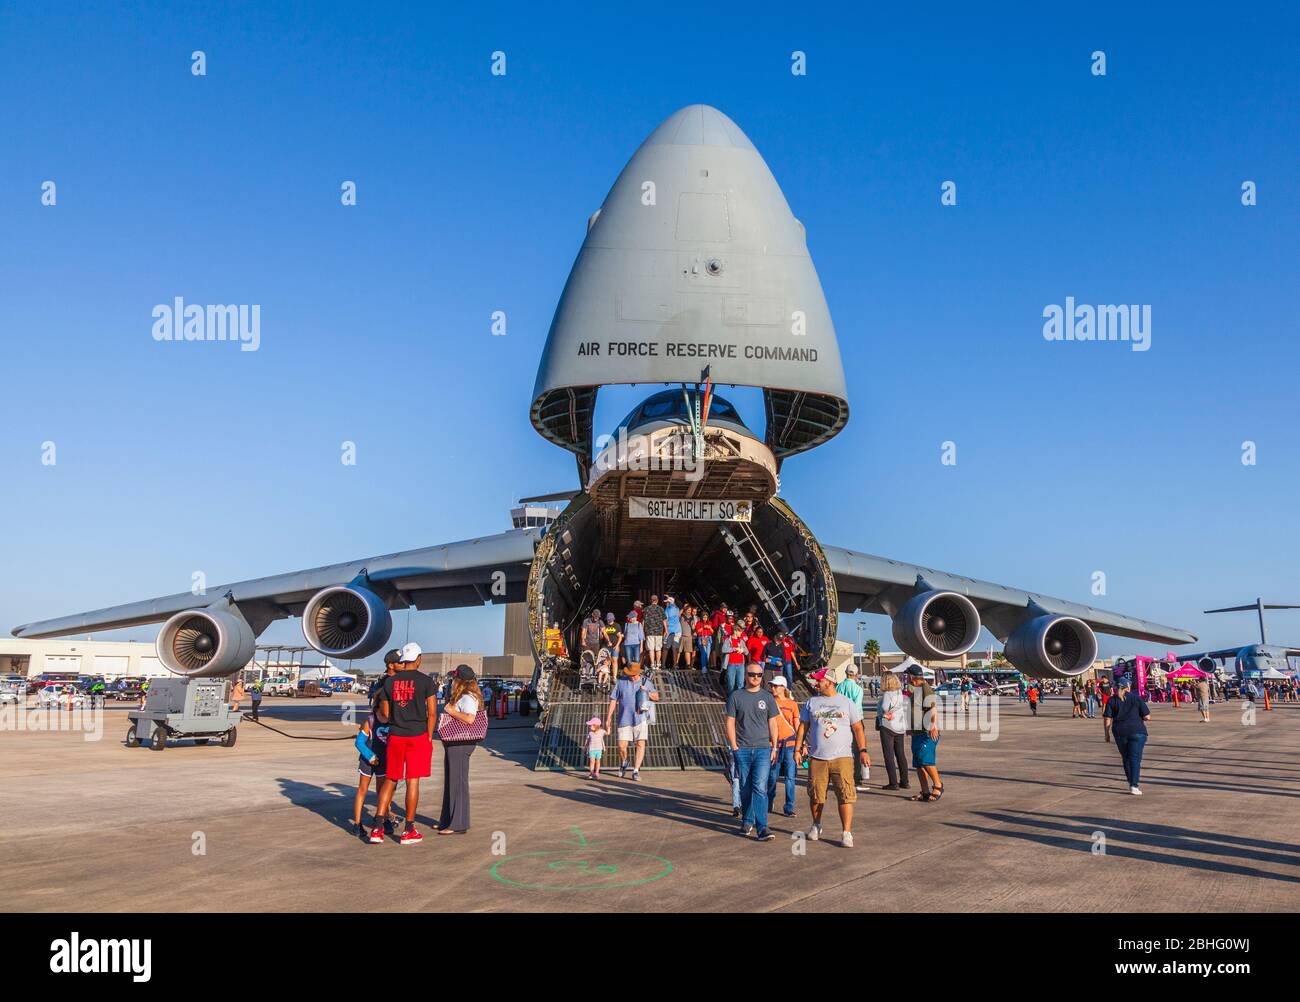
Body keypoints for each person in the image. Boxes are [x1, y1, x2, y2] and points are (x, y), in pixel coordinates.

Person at [369, 642, 436, 845]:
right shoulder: (426, 682)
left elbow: (386, 713)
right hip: (417, 735)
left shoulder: (390, 683)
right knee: (412, 780)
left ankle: (377, 828)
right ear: (418, 659)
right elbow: (432, 712)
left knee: (391, 779)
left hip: (396, 735)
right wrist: (430, 735)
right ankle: (408, 829)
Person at [796, 668, 870, 847]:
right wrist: (797, 749)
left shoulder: (846, 703)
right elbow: (803, 727)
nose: (816, 683)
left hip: (842, 757)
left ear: (829, 682)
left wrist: (863, 750)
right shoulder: (811, 702)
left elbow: (858, 728)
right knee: (815, 795)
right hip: (817, 757)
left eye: (819, 681)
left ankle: (846, 832)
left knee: (845, 795)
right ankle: (816, 825)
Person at [725, 662, 780, 841]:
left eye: (758, 675)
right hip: (742, 749)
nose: (755, 678)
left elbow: (773, 723)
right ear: (746, 675)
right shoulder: (736, 696)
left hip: (763, 749)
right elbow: (730, 722)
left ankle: (762, 827)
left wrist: (774, 746)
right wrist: (734, 746)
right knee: (745, 787)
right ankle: (747, 820)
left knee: (759, 787)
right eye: (751, 674)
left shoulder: (768, 697)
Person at [436, 664, 484, 833]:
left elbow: (470, 719)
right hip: (455, 743)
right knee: (452, 781)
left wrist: (450, 710)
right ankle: (447, 820)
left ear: (460, 681)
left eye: (454, 679)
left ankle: (458, 824)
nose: (452, 682)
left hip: (461, 743)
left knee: (458, 782)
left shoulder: (467, 698)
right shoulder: (463, 696)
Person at [605, 662, 659, 781]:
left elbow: (656, 697)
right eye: (631, 674)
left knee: (640, 744)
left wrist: (647, 692)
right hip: (624, 718)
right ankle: (624, 761)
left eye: (635, 674)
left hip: (641, 718)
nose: (633, 676)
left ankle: (636, 771)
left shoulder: (646, 682)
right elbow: (613, 700)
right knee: (621, 746)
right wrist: (608, 718)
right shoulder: (621, 682)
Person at [351, 704, 396, 839]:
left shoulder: (392, 721)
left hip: (384, 761)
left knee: (382, 791)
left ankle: (383, 818)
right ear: (379, 705)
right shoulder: (370, 721)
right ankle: (357, 824)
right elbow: (359, 742)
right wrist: (369, 756)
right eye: (387, 704)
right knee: (362, 789)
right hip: (367, 760)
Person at [1102, 676, 1151, 795]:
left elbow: (1107, 719)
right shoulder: (1136, 698)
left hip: (1120, 732)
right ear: (1127, 687)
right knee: (1135, 759)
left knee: (1126, 758)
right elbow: (1147, 716)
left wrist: (1107, 734)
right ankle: (1134, 785)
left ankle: (1131, 781)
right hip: (1137, 731)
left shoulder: (1111, 700)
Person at [906, 665, 942, 802]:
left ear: (912, 676)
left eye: (907, 675)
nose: (906, 678)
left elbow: (933, 708)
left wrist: (933, 726)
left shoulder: (925, 689)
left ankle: (938, 785)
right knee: (919, 764)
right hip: (917, 732)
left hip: (927, 732)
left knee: (926, 761)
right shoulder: (915, 690)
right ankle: (925, 791)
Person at [766, 673, 799, 817]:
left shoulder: (792, 704)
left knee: (790, 777)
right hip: (773, 744)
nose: (772, 688)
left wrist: (801, 743)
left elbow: (796, 724)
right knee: (772, 776)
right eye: (772, 685)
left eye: (775, 685)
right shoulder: (768, 701)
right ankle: (769, 800)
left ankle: (789, 806)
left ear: (782, 687)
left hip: (790, 743)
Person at [875, 671, 909, 790]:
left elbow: (885, 707)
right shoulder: (899, 692)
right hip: (899, 726)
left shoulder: (888, 694)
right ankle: (904, 781)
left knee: (888, 755)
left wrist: (885, 713)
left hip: (888, 726)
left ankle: (893, 782)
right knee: (900, 754)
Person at [836, 665, 869, 791]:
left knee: (842, 749)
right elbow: (856, 706)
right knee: (857, 749)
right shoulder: (858, 689)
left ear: (845, 673)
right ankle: (856, 778)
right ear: (856, 674)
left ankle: (842, 776)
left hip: (841, 720)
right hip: (856, 720)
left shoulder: (839, 686)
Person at [719, 612, 748, 693]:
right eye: (740, 631)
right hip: (731, 664)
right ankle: (731, 698)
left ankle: (738, 700)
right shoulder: (728, 640)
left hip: (741, 665)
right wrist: (734, 649)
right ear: (735, 631)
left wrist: (743, 650)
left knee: (740, 683)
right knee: (731, 683)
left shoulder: (741, 640)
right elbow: (723, 649)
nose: (741, 633)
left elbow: (747, 652)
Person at [642, 596, 667, 670]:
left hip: (649, 632)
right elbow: (664, 620)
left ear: (651, 600)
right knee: (658, 649)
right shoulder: (661, 609)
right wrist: (666, 629)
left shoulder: (646, 609)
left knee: (651, 649)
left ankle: (652, 664)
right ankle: (658, 664)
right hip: (659, 632)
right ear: (657, 600)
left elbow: (643, 621)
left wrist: (642, 630)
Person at [663, 596, 682, 669]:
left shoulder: (668, 609)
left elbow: (665, 619)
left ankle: (663, 665)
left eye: (667, 602)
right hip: (678, 630)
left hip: (669, 631)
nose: (666, 604)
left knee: (666, 648)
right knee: (675, 648)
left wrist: (665, 630)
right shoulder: (677, 608)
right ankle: (675, 665)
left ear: (670, 603)